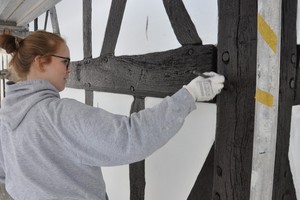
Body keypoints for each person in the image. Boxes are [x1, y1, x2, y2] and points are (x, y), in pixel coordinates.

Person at [0, 30, 224, 200]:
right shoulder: (57, 116)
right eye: (65, 62)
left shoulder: (5, 119)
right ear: (41, 61)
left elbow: (5, 174)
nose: (69, 70)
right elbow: (129, 139)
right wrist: (189, 95)